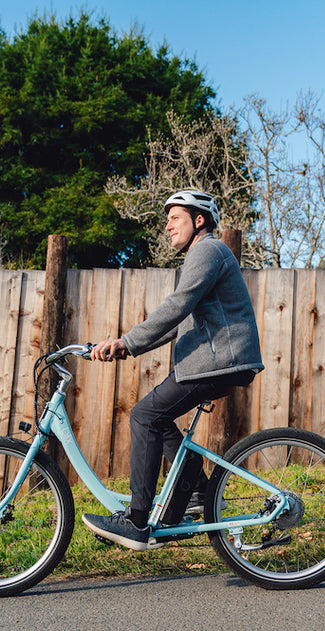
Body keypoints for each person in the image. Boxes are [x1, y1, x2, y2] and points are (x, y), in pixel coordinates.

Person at [82, 190, 263, 550]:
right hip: (212, 361)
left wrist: (126, 341)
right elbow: (177, 324)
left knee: (145, 416)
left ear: (199, 220)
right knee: (158, 419)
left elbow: (177, 307)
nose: (167, 226)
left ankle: (136, 522)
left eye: (175, 217)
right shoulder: (202, 255)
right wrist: (127, 346)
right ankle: (196, 489)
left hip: (219, 361)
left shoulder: (208, 250)